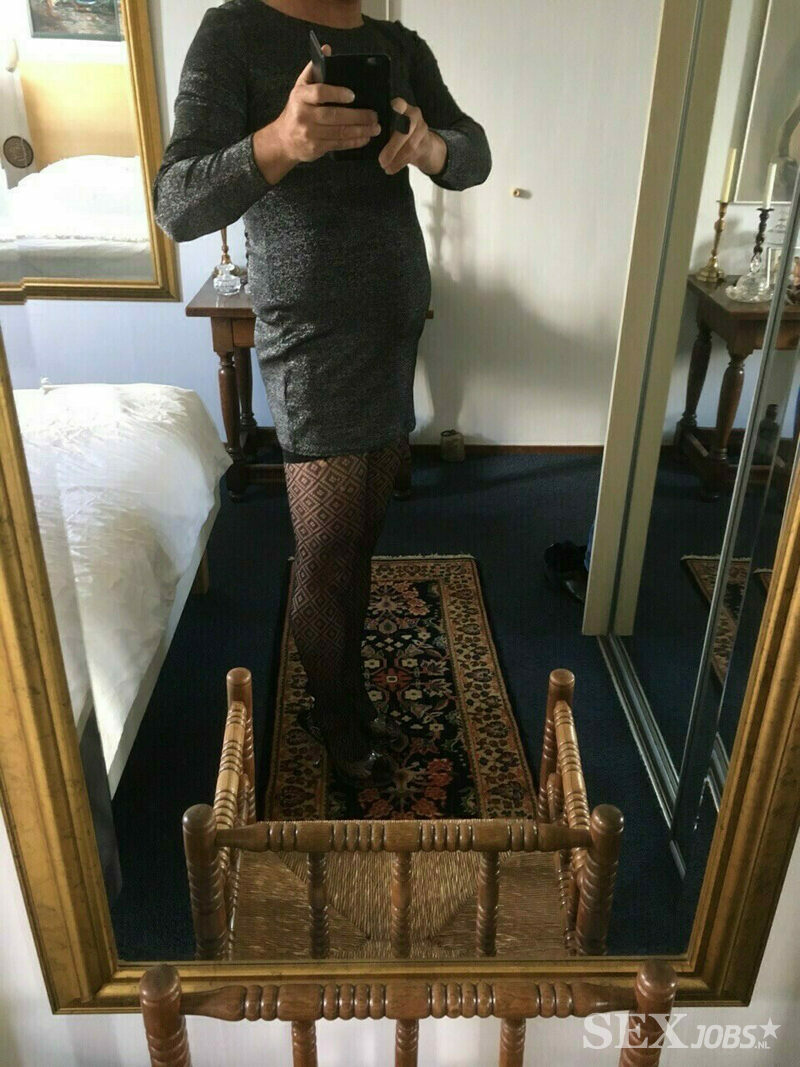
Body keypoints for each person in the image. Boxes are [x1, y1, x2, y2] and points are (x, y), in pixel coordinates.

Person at [153, 0, 491, 788]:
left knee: (363, 533)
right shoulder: (233, 33)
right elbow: (176, 203)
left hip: (393, 322)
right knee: (329, 548)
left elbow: (473, 153)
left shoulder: (397, 45)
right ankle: (334, 716)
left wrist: (431, 145)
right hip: (311, 335)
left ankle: (346, 683)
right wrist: (279, 141)